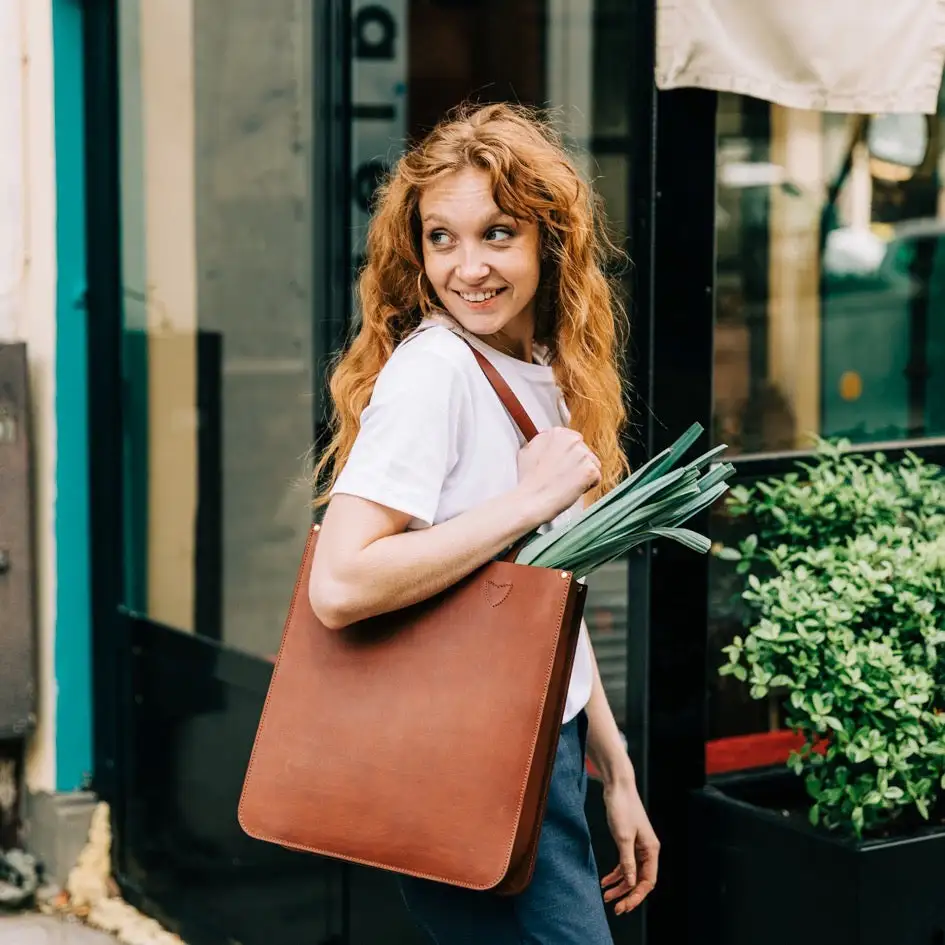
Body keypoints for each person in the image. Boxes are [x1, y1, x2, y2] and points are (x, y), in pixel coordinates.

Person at [308, 101, 659, 945]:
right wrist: (526, 501)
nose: (468, 267)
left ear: (549, 239)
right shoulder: (438, 372)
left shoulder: (536, 365)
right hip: (469, 761)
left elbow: (538, 591)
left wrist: (610, 761)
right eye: (442, 238)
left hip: (545, 749)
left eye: (497, 233)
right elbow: (340, 582)